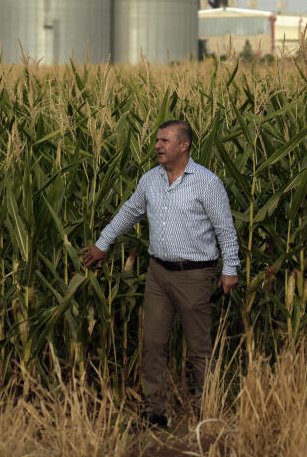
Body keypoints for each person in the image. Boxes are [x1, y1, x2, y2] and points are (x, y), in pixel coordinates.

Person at [81, 119, 239, 428]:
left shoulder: (207, 182)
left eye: (165, 140)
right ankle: (155, 413)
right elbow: (130, 211)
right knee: (152, 343)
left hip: (194, 275)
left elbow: (225, 229)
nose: (157, 145)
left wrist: (230, 269)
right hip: (158, 274)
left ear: (184, 145)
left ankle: (206, 412)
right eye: (156, 140)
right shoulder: (150, 180)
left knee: (199, 349)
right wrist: (103, 244)